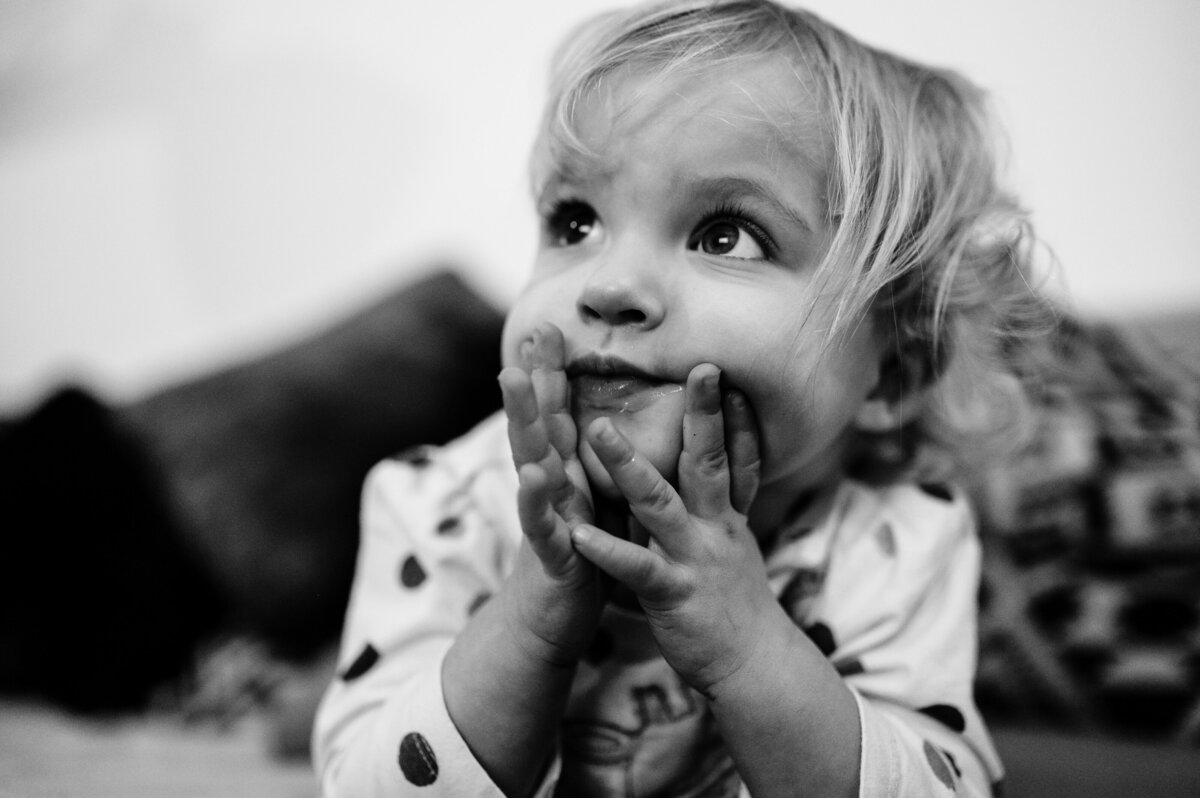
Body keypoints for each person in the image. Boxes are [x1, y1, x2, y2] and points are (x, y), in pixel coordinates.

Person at [313, 0, 1053, 794]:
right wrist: (532, 614)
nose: (608, 284)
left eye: (724, 234)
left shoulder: (897, 543)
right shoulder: (440, 504)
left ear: (894, 374)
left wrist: (744, 646)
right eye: (575, 222)